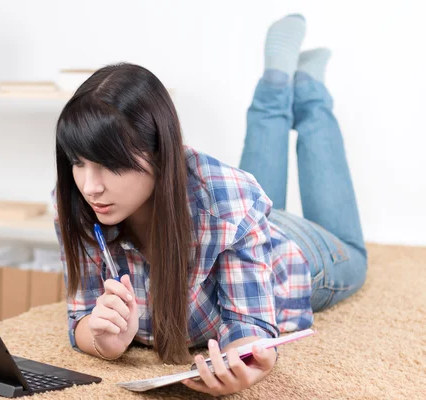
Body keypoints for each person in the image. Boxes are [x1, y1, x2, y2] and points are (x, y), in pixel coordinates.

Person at [52, 14, 367, 396]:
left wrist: (243, 363)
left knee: (352, 249)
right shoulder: (75, 201)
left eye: (110, 165)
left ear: (160, 153)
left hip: (294, 251)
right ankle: (279, 80)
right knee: (240, 197)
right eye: (78, 162)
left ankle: (308, 89)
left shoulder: (228, 201)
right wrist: (104, 341)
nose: (90, 186)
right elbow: (81, 318)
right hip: (235, 220)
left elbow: (247, 325)